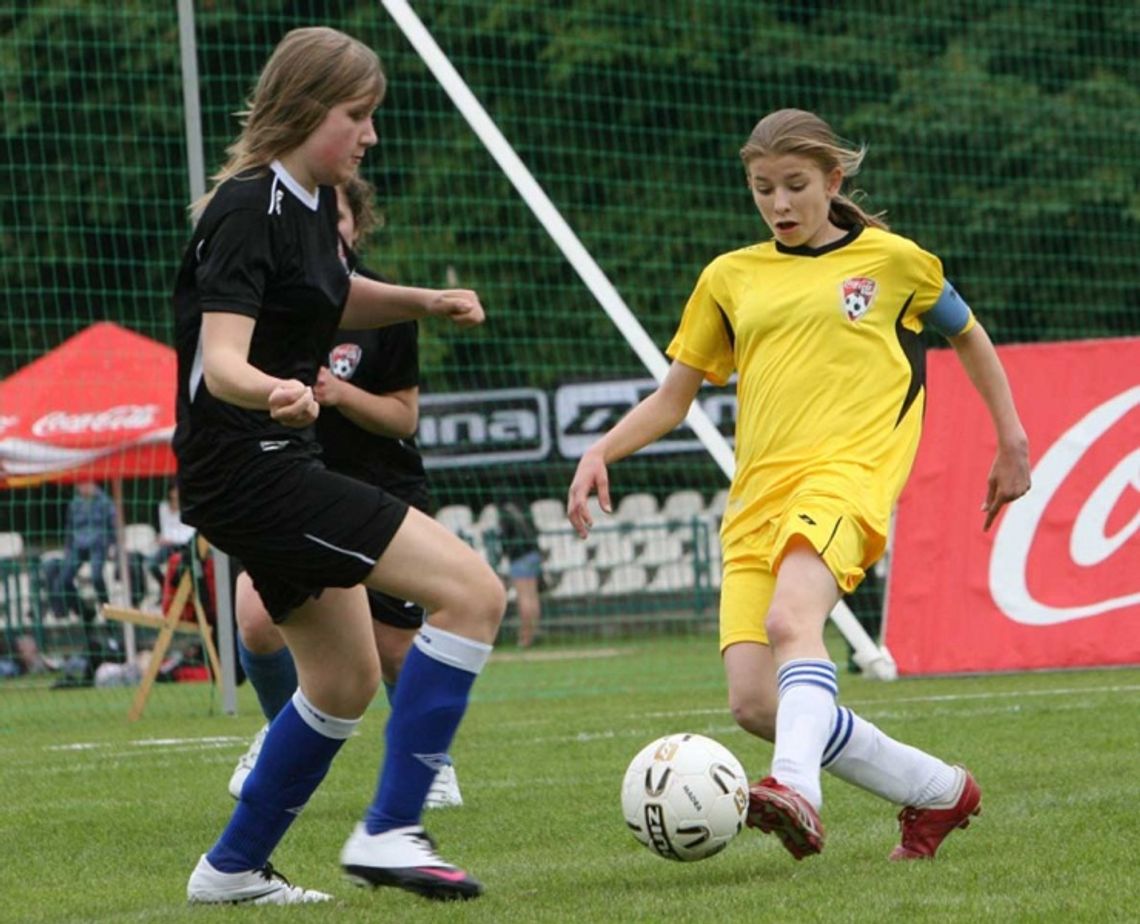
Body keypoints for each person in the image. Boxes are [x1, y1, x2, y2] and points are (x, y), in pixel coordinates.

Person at [567, 109, 1031, 864]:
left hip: (847, 479)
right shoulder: (728, 278)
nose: (779, 204)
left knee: (793, 625)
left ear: (832, 181)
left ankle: (797, 792)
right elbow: (673, 397)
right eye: (762, 190)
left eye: (795, 186)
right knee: (757, 702)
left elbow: (968, 332)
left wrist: (1011, 439)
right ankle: (940, 790)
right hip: (756, 501)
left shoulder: (895, 262)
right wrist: (602, 451)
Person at [173, 27, 504, 905]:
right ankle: (394, 829)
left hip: (268, 465)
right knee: (474, 594)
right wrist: (272, 393)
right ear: (305, 107)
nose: (370, 135)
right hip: (254, 470)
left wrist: (420, 301)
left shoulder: (315, 202)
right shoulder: (246, 207)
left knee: (344, 680)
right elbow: (224, 360)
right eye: (357, 116)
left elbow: (331, 292)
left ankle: (230, 870)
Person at [228, 174, 462, 811]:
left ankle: (426, 760)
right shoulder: (269, 301)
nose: (326, 235)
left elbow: (403, 418)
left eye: (337, 224)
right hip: (293, 484)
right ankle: (285, 740)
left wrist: (340, 394)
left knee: (392, 648)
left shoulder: (384, 306)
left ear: (357, 227)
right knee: (254, 619)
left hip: (378, 487)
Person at [46, 479, 117, 622]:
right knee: (63, 580)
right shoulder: (74, 504)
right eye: (79, 484)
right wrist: (67, 549)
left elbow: (114, 526)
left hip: (98, 546)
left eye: (84, 483)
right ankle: (83, 611)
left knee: (97, 577)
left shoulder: (106, 502)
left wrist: (112, 546)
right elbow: (69, 528)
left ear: (93, 483)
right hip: (78, 546)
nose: (80, 487)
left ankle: (108, 612)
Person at [496, 498, 544, 648]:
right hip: (533, 554)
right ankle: (532, 633)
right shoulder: (524, 510)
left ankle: (524, 638)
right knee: (533, 596)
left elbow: (505, 540)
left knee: (524, 598)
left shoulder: (505, 515)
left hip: (519, 557)